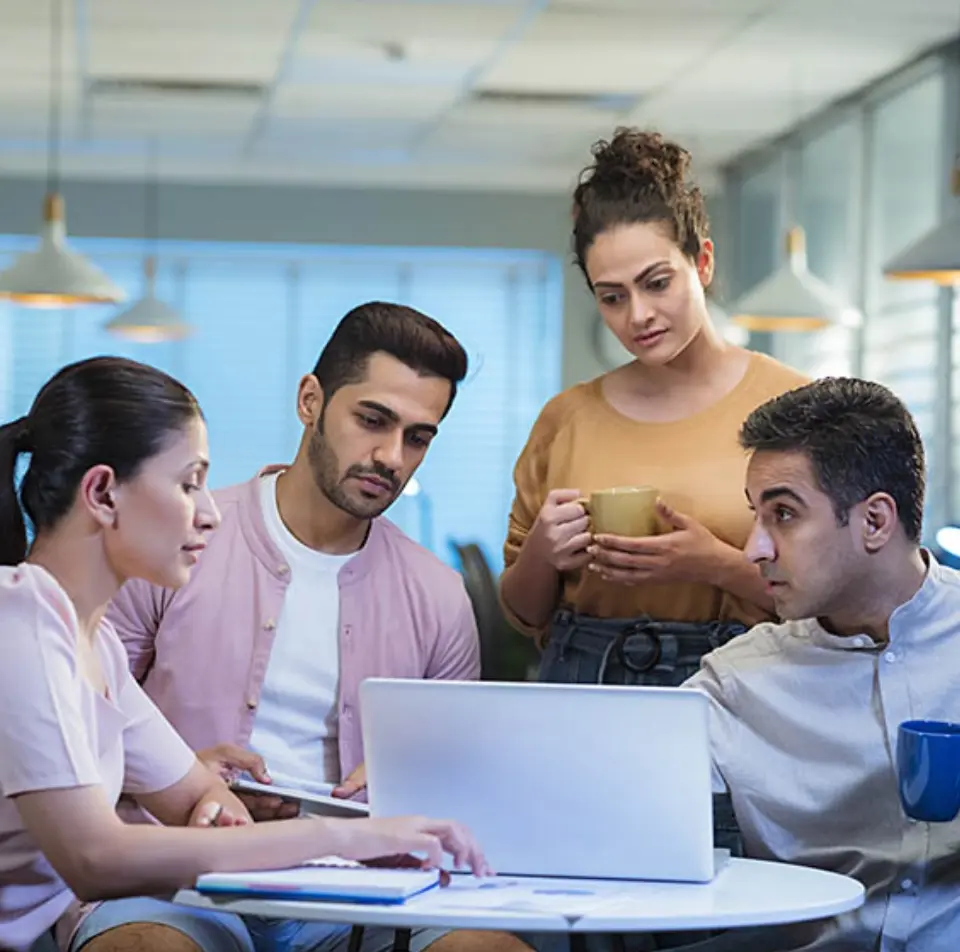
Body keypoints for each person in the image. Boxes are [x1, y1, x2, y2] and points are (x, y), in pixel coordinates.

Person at [0, 356, 489, 952]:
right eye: (188, 484)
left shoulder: (91, 641)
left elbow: (193, 798)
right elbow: (95, 858)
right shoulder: (20, 624)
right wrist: (340, 839)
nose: (209, 514)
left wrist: (219, 808)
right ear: (102, 492)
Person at [98, 303, 530, 952]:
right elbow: (75, 732)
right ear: (310, 401)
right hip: (177, 874)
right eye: (373, 420)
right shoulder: (175, 542)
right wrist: (179, 774)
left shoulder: (439, 595)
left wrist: (403, 788)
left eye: (418, 437)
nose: (391, 456)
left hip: (361, 891)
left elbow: (454, 787)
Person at [499, 128, 807, 872]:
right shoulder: (566, 417)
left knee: (719, 906)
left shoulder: (794, 408)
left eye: (656, 282)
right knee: (569, 907)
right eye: (611, 296)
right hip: (580, 687)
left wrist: (720, 565)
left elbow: (831, 604)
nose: (637, 314)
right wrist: (544, 549)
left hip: (740, 689)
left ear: (702, 262)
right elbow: (523, 612)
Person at [678, 376, 960, 951]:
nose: (754, 548)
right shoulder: (736, 683)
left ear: (875, 522)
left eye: (783, 514)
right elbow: (608, 802)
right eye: (757, 515)